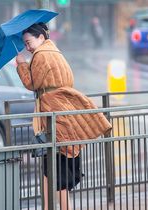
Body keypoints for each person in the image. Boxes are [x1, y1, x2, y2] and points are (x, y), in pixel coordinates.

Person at [15, 23, 112, 210]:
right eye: (25, 44)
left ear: (41, 37)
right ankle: (47, 207)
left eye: (29, 42)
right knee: (49, 168)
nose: (27, 47)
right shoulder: (55, 52)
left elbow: (31, 83)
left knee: (56, 170)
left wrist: (21, 65)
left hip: (54, 117)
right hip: (63, 111)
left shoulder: (40, 55)